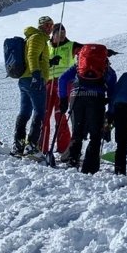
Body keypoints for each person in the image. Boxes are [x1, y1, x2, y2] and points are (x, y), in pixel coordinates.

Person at [59, 45, 117, 173]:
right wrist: (111, 112)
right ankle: (90, 168)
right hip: (96, 98)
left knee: (77, 132)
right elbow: (112, 93)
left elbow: (62, 79)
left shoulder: (79, 67)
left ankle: (72, 161)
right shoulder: (108, 71)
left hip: (76, 96)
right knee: (95, 135)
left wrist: (63, 99)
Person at [12, 15, 54, 156]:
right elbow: (32, 55)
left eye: (51, 26)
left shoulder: (33, 37)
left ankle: (18, 145)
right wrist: (36, 74)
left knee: (25, 112)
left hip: (25, 79)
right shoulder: (38, 37)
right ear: (41, 26)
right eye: (47, 25)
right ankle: (31, 146)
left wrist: (49, 63)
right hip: (33, 79)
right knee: (40, 112)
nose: (50, 28)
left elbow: (38, 57)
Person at [41, 23, 81, 155]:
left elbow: (84, 50)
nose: (63, 36)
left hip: (64, 83)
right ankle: (42, 147)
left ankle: (64, 148)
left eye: (64, 33)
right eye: (60, 34)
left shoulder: (71, 45)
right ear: (54, 34)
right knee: (44, 115)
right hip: (48, 83)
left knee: (60, 115)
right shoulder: (46, 45)